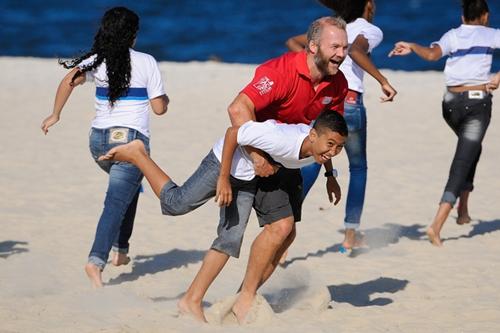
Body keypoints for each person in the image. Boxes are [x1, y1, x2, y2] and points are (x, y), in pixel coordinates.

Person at [99, 110, 348, 322]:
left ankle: (191, 301)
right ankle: (137, 154)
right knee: (176, 203)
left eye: (339, 147)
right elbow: (233, 133)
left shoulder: (318, 146)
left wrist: (330, 176)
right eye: (330, 145)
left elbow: (324, 149)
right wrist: (222, 179)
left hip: (250, 177)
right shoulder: (281, 139)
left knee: (231, 237)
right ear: (313, 136)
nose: (334, 152)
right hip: (223, 164)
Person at [227, 16, 349, 323]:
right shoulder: (279, 71)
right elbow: (238, 109)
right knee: (278, 228)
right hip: (255, 157)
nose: (342, 53)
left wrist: (330, 174)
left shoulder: (339, 84)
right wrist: (256, 156)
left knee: (287, 234)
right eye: (335, 46)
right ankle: (243, 299)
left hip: (290, 158)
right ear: (312, 47)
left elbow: (327, 135)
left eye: (345, 47)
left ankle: (244, 294)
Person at [40, 7, 169, 287]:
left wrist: (55, 114)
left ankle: (121, 251)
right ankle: (96, 261)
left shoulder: (96, 60)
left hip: (98, 140)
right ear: (133, 35)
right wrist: (164, 98)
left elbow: (67, 81)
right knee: (115, 201)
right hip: (130, 141)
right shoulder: (146, 61)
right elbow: (159, 109)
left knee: (131, 187)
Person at [286, 0, 397, 251]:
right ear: (367, 5)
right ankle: (350, 236)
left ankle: (284, 227)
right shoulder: (369, 29)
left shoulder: (332, 28)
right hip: (350, 102)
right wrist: (383, 80)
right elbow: (357, 52)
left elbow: (294, 43)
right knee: (358, 168)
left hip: (326, 102)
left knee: (314, 162)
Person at [389, 0, 500, 246]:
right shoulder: (492, 34)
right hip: (476, 105)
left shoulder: (452, 35)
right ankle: (436, 226)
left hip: (450, 106)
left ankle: (463, 211)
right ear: (484, 16)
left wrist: (411, 45)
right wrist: (498, 77)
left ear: (463, 16)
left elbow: (430, 55)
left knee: (472, 149)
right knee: (463, 160)